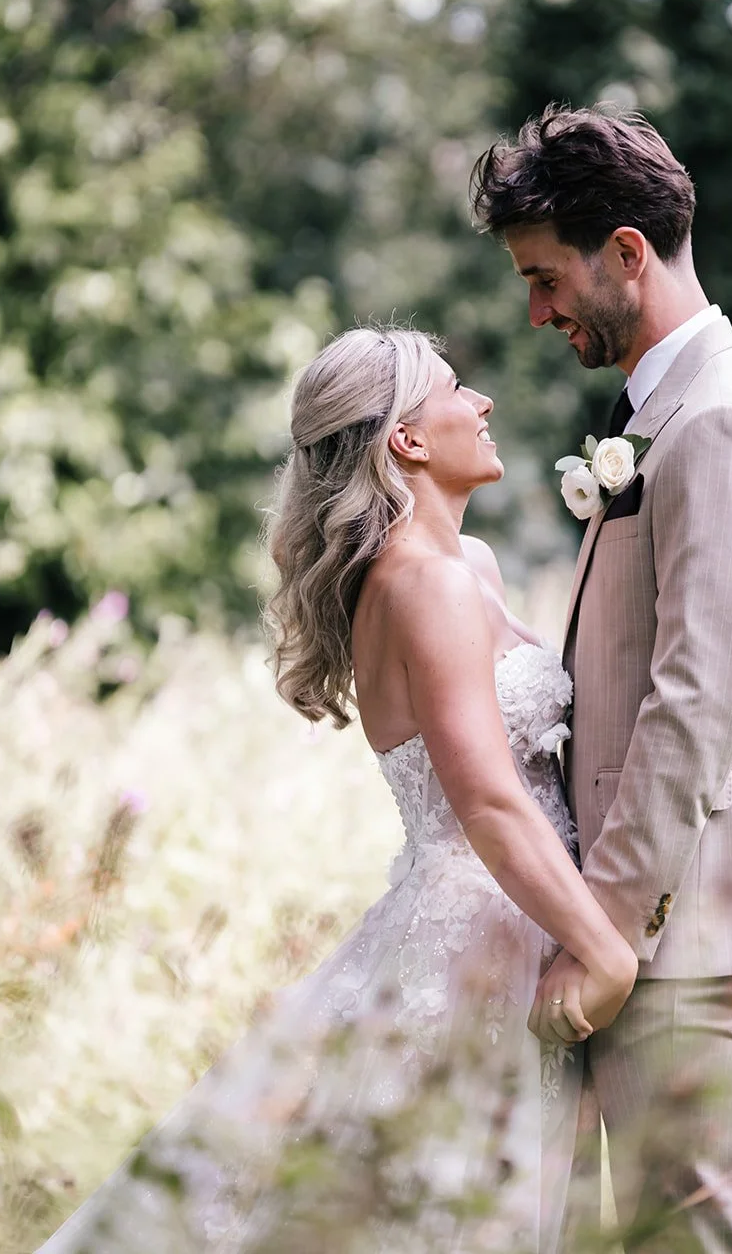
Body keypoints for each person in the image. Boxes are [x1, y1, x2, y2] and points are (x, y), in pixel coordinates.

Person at [35, 326, 636, 1254]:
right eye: (455, 390)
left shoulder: (465, 566)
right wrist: (607, 952)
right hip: (472, 937)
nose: (481, 404)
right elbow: (485, 802)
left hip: (512, 919)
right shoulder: (421, 580)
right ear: (407, 439)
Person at [471, 104, 732, 1254]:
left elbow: (693, 705)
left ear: (625, 251)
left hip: (683, 924)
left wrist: (604, 926)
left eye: (544, 276)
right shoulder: (666, 413)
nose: (536, 311)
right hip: (660, 922)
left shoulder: (720, 422)